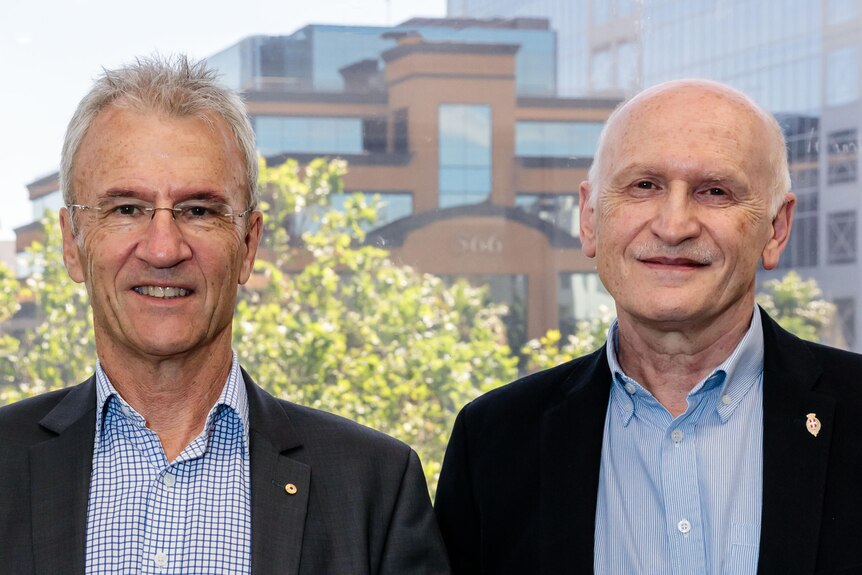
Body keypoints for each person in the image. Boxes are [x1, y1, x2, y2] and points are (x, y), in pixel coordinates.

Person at [0, 55, 449, 575]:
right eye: (126, 209)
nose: (163, 249)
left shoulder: (376, 487)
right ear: (71, 245)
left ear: (249, 243)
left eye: (199, 211)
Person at [434, 79, 862, 574]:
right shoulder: (493, 441)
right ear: (591, 219)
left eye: (715, 191)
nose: (674, 225)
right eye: (644, 186)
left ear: (776, 229)